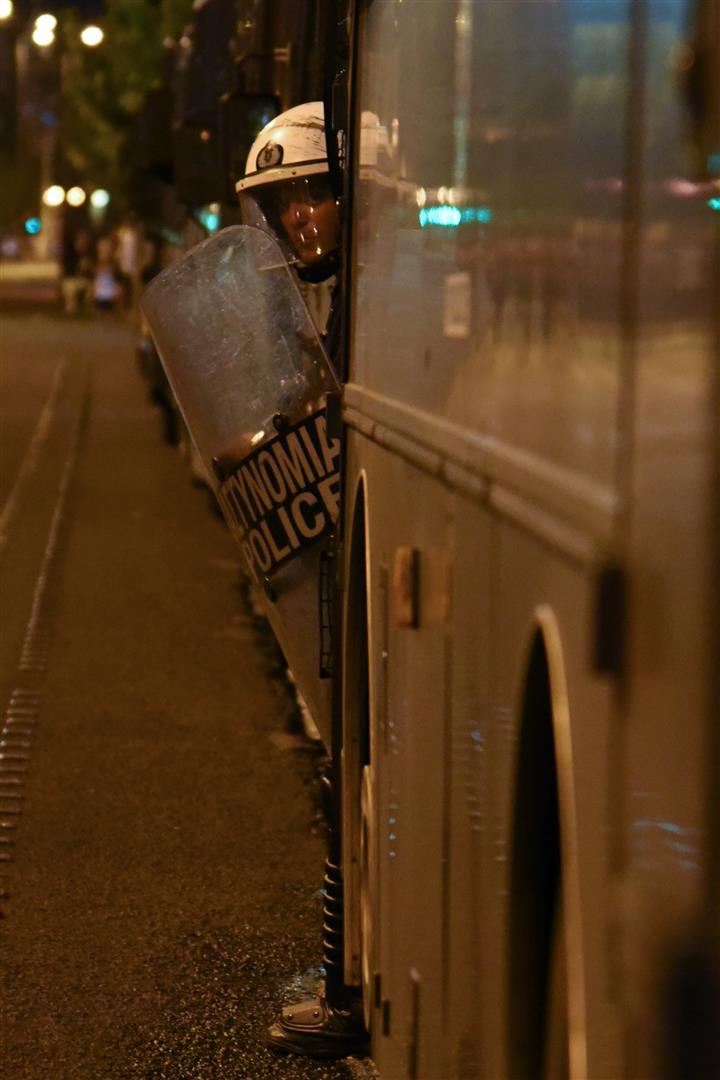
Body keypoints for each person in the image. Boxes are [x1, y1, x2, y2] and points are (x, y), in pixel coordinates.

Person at [235, 103, 367, 1059]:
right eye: (284, 208)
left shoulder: (380, 292)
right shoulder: (317, 296)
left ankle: (348, 970)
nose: (300, 223)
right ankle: (344, 961)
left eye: (313, 199)